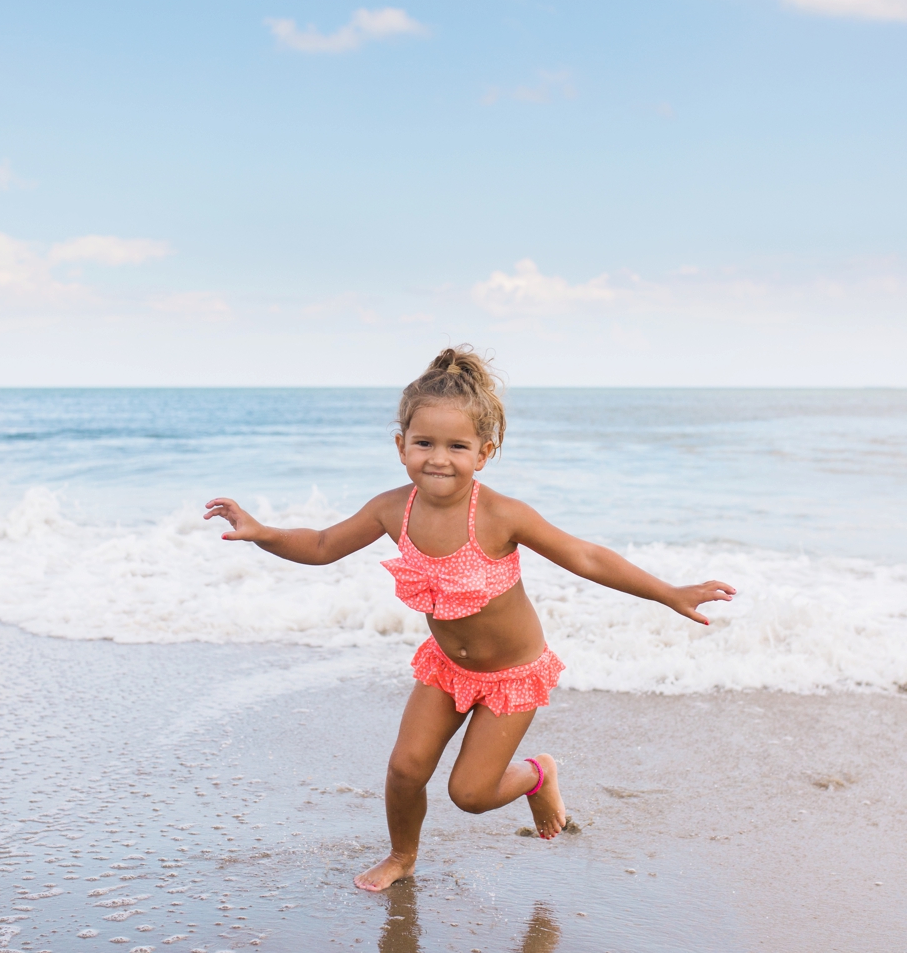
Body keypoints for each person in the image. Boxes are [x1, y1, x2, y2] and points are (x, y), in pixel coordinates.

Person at [203, 347, 732, 893]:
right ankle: (402, 856)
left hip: (511, 676)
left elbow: (586, 556)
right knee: (406, 768)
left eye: (457, 446)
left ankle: (538, 774)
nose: (438, 458)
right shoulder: (392, 508)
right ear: (400, 445)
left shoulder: (501, 515)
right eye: (424, 443)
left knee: (471, 795)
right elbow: (320, 545)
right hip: (446, 669)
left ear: (485, 452)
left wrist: (668, 592)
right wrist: (262, 532)